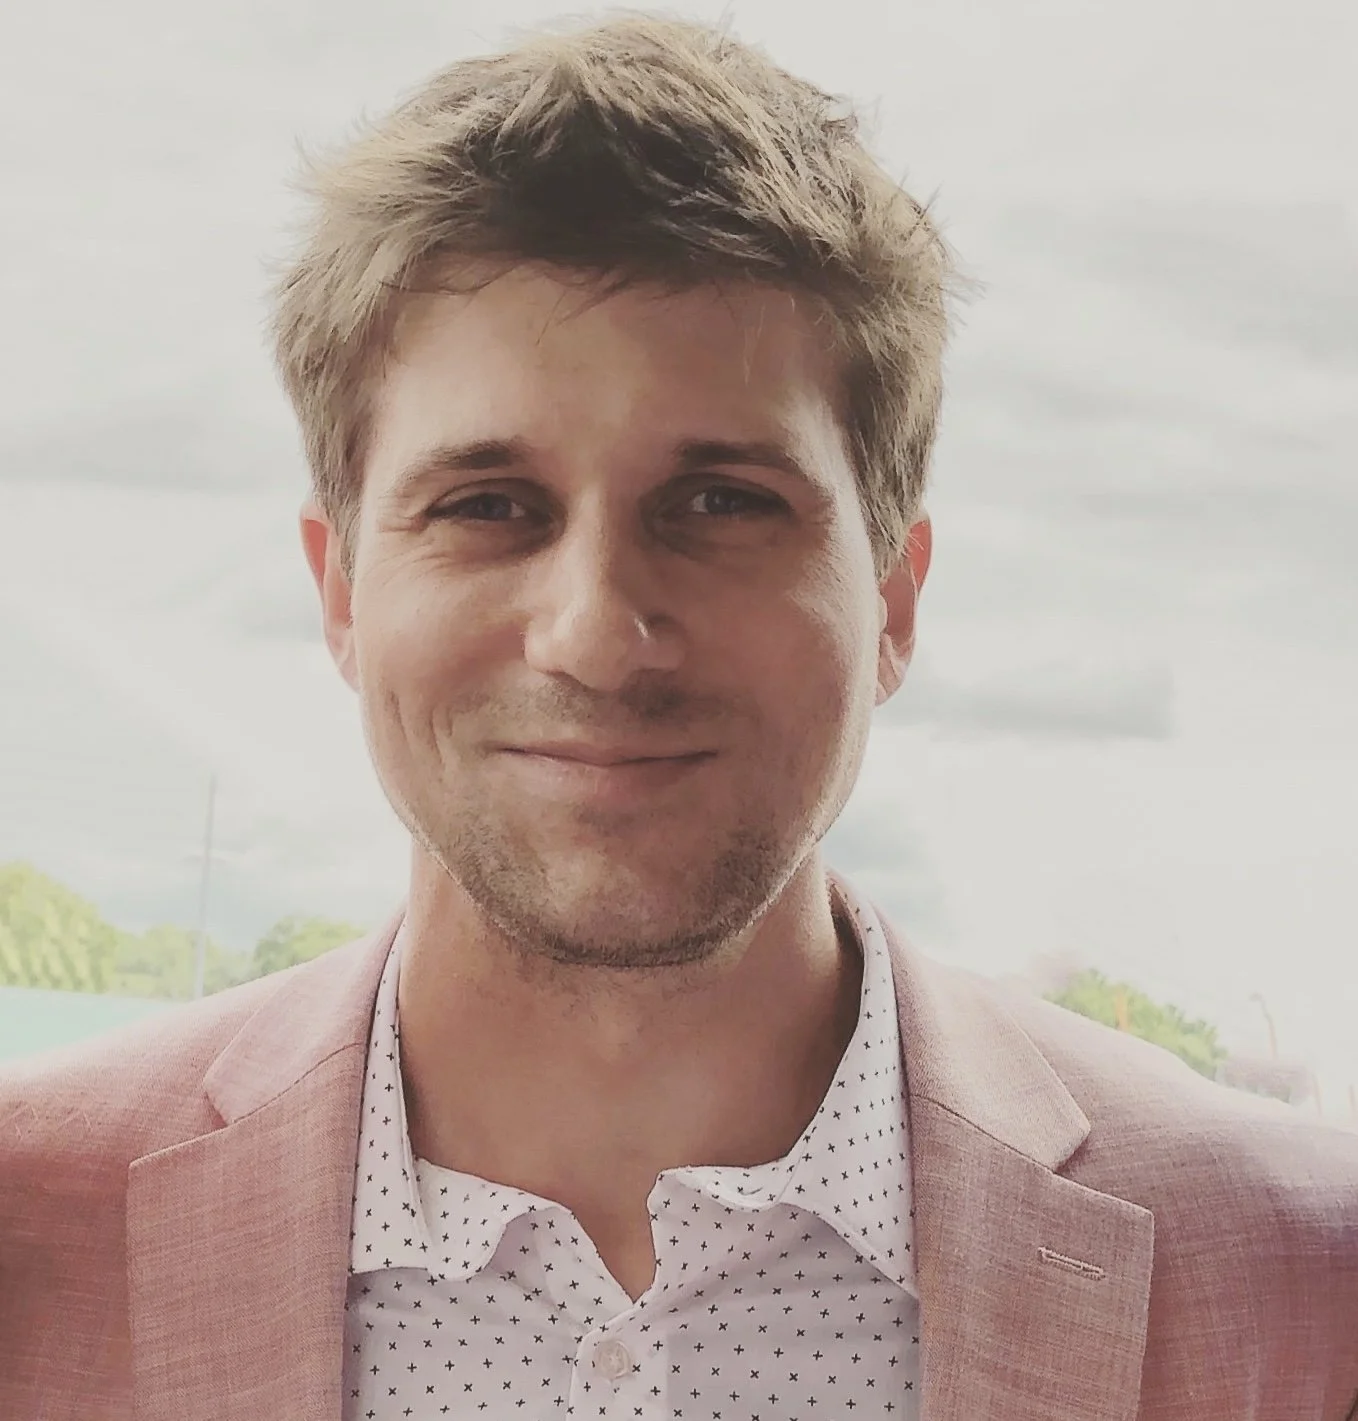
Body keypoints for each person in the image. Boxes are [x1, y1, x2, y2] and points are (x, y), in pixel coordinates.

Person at [2, 14, 1356, 1420]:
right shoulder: (26, 1236)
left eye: (720, 503)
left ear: (892, 596)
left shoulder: (1305, 1277)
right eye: (486, 505)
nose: (595, 634)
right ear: (340, 594)